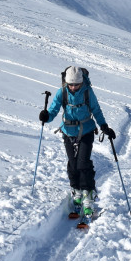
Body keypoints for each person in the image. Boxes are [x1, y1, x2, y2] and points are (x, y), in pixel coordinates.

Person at [39, 66, 116, 220]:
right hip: (68, 132)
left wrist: (104, 126)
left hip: (86, 130)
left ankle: (88, 194)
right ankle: (76, 190)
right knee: (73, 164)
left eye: (76, 84)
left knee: (83, 163)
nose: (73, 87)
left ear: (81, 82)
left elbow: (96, 109)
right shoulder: (62, 92)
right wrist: (46, 117)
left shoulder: (87, 91)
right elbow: (53, 110)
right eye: (71, 84)